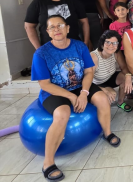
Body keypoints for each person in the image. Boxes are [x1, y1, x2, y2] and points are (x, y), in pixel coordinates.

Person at [31, 15, 120, 181]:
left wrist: (84, 93)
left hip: (80, 85)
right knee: (63, 113)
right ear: (48, 31)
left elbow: (88, 72)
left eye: (60, 25)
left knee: (102, 98)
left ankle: (107, 133)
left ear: (68, 28)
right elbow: (44, 84)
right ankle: (48, 163)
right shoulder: (41, 54)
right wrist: (71, 96)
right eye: (52, 27)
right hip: (54, 91)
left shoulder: (79, 46)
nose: (57, 29)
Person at [25, 0, 90, 49]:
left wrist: (86, 42)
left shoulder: (74, 2)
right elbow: (29, 26)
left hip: (74, 47)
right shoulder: (37, 3)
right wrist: (39, 48)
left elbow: (84, 22)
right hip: (49, 49)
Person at [91, 30, 133, 112]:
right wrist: (105, 90)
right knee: (110, 96)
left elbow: (124, 67)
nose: (111, 46)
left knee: (127, 77)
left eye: (115, 43)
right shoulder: (93, 57)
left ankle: (120, 102)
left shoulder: (116, 52)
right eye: (108, 42)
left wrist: (128, 77)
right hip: (97, 83)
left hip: (110, 77)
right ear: (102, 43)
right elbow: (87, 81)